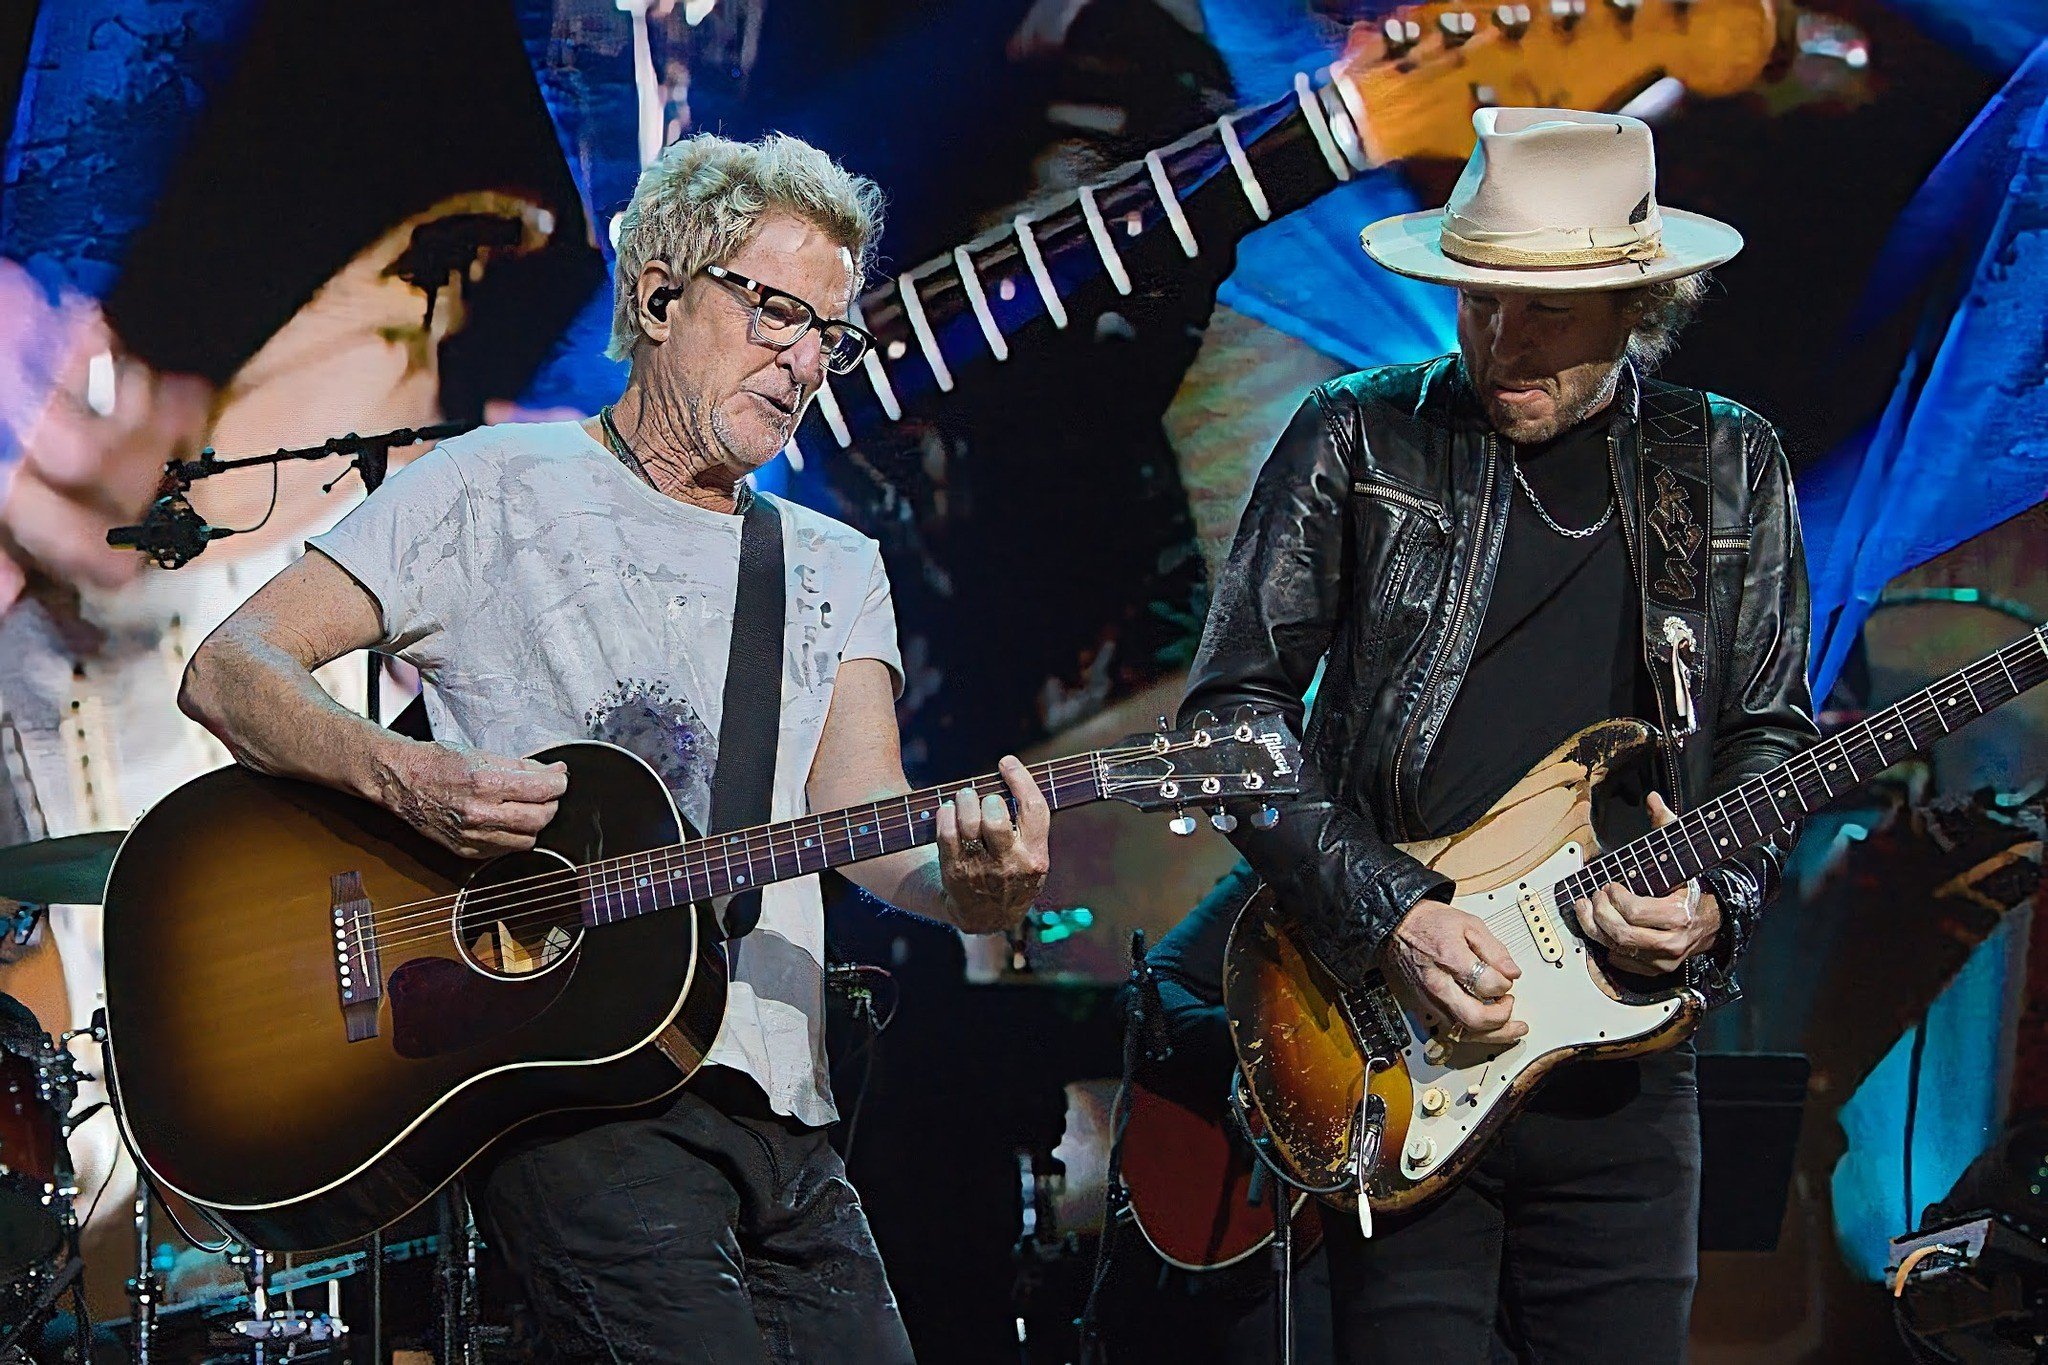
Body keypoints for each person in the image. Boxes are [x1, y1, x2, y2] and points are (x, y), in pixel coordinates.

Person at [179, 131, 1052, 1363]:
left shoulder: (835, 565)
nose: (804, 359)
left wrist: (971, 892)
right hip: (574, 1100)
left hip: (786, 1109)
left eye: (830, 335)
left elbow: (867, 822)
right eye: (775, 313)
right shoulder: (492, 485)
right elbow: (230, 667)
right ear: (656, 294)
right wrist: (408, 776)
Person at [1179, 108, 1820, 1362]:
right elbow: (1232, 723)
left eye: (1545, 313)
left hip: (1622, 1055)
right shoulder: (1358, 434)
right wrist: (1393, 913)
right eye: (1480, 301)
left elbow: (1768, 736)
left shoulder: (1726, 462)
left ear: (1638, 305)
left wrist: (1714, 899)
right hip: (1389, 1034)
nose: (1499, 340)